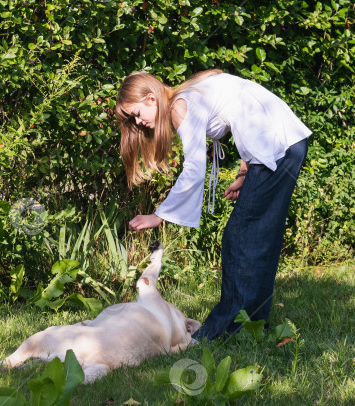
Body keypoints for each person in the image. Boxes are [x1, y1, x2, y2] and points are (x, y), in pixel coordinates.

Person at [114, 69, 311, 340]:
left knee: (240, 237)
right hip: (285, 141)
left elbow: (194, 168)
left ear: (151, 99)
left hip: (278, 145)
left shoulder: (179, 105)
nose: (139, 122)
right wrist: (244, 172)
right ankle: (251, 324)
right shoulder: (188, 94)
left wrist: (159, 216)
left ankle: (226, 329)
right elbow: (243, 111)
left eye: (137, 113)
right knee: (256, 235)